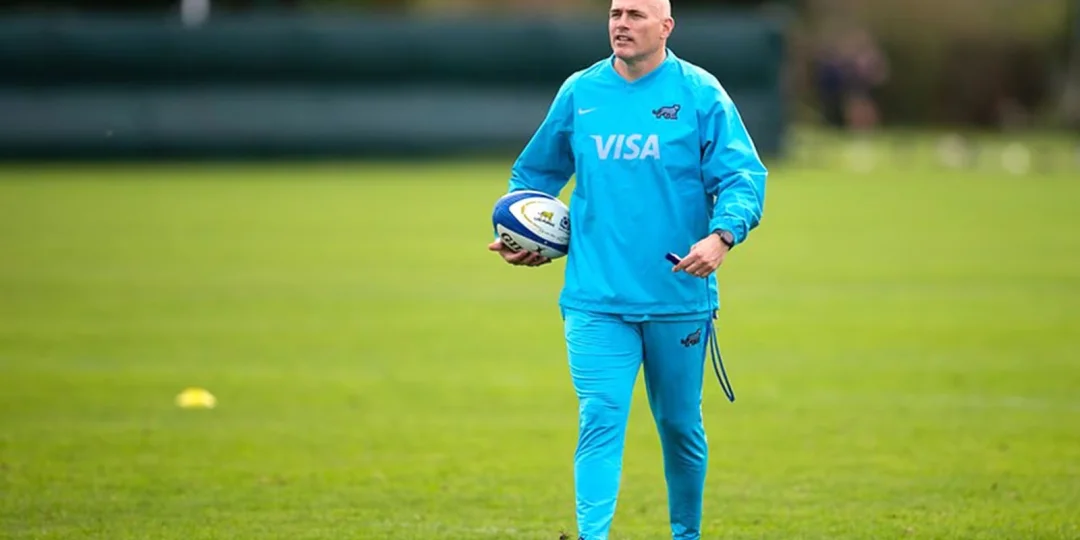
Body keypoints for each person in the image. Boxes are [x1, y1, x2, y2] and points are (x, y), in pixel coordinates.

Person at [486, 0, 767, 538]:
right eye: (616, 13)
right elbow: (534, 176)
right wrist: (522, 232)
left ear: (666, 27)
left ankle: (686, 534)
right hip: (596, 299)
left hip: (678, 294)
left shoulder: (700, 93)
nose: (621, 23)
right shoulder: (581, 91)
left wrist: (722, 235)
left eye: (636, 14)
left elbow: (742, 178)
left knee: (680, 427)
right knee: (599, 417)